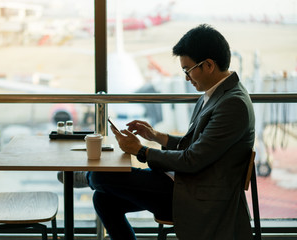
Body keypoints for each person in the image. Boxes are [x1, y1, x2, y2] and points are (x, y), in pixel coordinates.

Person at [58, 24, 255, 240]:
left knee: (100, 177)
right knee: (103, 199)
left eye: (187, 69)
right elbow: (196, 146)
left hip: (201, 196)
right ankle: (90, 177)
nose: (187, 77)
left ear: (208, 65)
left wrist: (141, 151)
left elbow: (193, 159)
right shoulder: (216, 94)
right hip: (187, 183)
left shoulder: (232, 104)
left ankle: (87, 176)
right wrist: (155, 136)